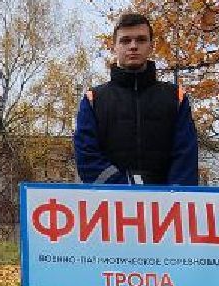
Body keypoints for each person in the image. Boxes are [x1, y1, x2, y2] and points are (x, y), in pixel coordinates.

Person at [73, 12, 201, 185]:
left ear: (151, 46)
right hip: (109, 204)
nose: (133, 46)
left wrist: (172, 195)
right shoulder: (93, 99)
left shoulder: (176, 98)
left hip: (166, 206)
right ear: (114, 47)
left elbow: (186, 155)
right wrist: (126, 188)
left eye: (141, 40)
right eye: (125, 40)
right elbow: (87, 156)